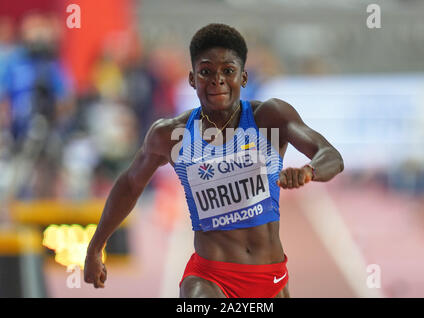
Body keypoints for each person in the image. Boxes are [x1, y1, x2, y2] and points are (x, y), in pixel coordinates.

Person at [84, 23, 344, 298]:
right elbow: (129, 184)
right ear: (192, 79)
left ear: (243, 77)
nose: (217, 80)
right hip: (209, 277)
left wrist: (309, 170)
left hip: (270, 277)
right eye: (206, 72)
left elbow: (330, 155)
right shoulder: (172, 135)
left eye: (228, 71)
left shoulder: (269, 118)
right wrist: (94, 248)